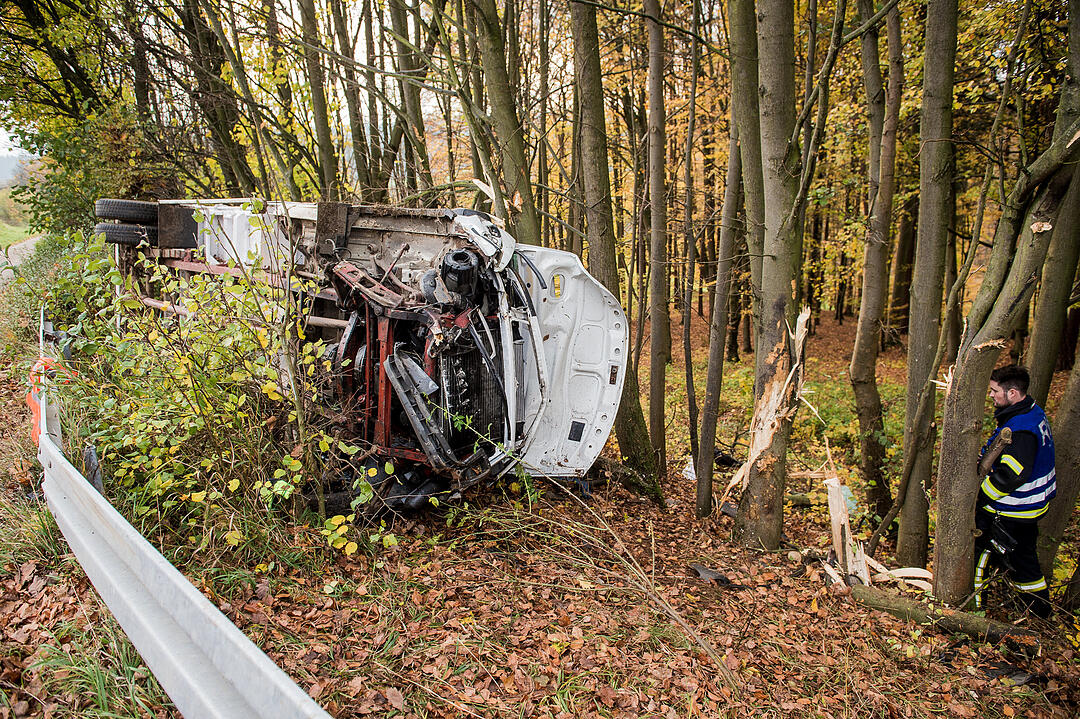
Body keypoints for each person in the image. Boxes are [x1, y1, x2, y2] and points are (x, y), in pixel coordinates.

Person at [974, 365, 1055, 619]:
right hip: (1031, 508)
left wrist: (981, 497)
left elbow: (1010, 475)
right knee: (1024, 561)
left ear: (1012, 393)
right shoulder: (1033, 412)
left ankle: (974, 612)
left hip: (1013, 509)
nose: (991, 396)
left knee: (979, 558)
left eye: (995, 391)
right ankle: (1039, 613)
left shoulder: (1021, 431)